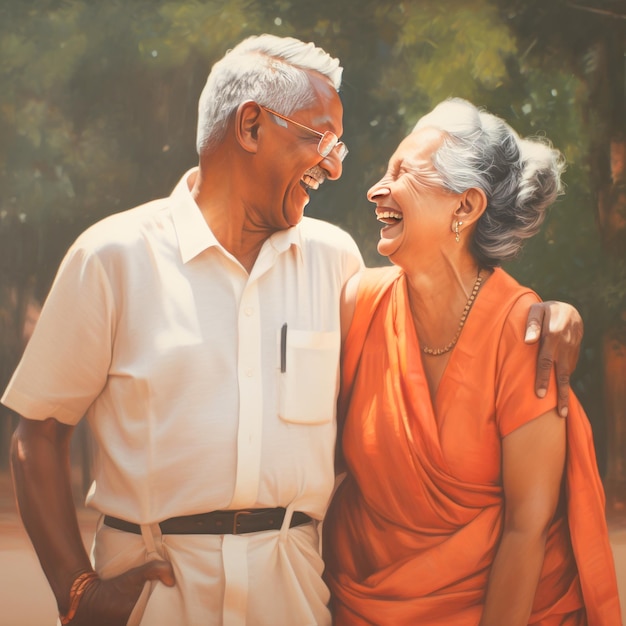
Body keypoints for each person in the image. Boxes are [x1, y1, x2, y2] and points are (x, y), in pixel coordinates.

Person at [2, 37, 581, 626]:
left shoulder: (337, 265)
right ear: (251, 125)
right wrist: (76, 591)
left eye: (339, 146)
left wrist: (549, 312)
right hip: (156, 596)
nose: (335, 165)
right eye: (320, 138)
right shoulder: (112, 257)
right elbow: (38, 431)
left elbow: (446, 314)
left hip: (295, 598)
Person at [323, 98, 622, 625]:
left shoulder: (526, 332)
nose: (376, 188)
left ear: (465, 207)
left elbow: (524, 529)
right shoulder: (359, 304)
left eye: (403, 173)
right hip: (360, 604)